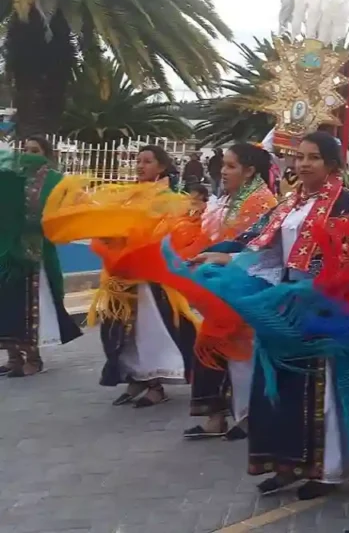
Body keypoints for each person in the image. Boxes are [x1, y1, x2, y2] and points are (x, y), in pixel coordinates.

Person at [192, 132, 349, 500]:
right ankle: (286, 465)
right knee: (279, 387)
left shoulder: (347, 206)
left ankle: (327, 470)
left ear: (331, 164)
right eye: (299, 157)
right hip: (284, 303)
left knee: (322, 389)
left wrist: (314, 295)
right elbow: (258, 244)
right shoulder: (289, 204)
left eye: (313, 157)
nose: (302, 164)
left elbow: (345, 263)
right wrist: (222, 257)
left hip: (323, 307)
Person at [184, 143, 277, 441]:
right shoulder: (229, 199)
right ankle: (221, 416)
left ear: (249, 171)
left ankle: (247, 415)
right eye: (223, 165)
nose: (223, 171)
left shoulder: (262, 203)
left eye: (231, 166)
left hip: (245, 284)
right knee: (216, 345)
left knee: (240, 352)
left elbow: (255, 250)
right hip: (222, 283)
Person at [99, 145, 197, 407]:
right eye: (138, 161)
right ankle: (135, 377)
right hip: (124, 274)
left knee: (151, 328)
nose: (140, 166)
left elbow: (172, 236)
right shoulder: (129, 195)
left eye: (147, 161)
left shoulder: (170, 198)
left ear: (161, 167)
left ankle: (156, 383)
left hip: (151, 275)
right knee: (123, 330)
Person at [0, 136, 82, 377]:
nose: (28, 155)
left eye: (35, 150)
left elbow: (64, 215)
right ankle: (13, 357)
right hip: (8, 251)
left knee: (33, 305)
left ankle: (34, 358)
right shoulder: (12, 178)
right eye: (25, 149)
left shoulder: (57, 182)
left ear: (47, 154)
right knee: (6, 303)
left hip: (37, 254)